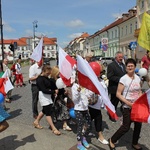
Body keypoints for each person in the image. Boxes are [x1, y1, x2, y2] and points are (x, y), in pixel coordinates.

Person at [108, 58, 143, 150]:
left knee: (138, 125)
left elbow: (139, 91)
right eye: (128, 66)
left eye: (132, 66)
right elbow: (118, 94)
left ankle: (135, 143)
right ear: (126, 67)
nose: (130, 67)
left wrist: (141, 99)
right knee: (126, 127)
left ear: (135, 67)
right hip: (127, 106)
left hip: (136, 106)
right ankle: (112, 139)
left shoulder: (138, 78)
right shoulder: (123, 79)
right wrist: (129, 103)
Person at [33, 65, 61, 135]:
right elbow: (44, 90)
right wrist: (53, 92)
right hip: (43, 96)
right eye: (47, 73)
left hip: (48, 95)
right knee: (48, 112)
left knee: (44, 110)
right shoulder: (39, 79)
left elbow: (50, 86)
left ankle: (36, 121)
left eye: (49, 73)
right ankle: (53, 128)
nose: (48, 75)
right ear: (43, 71)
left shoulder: (46, 78)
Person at [72, 79, 92, 150]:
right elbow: (74, 99)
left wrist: (89, 99)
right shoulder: (75, 86)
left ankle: (84, 138)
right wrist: (78, 90)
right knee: (80, 125)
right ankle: (79, 143)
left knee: (89, 125)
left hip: (85, 109)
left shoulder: (85, 86)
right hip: (78, 109)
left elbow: (87, 96)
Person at [50, 66, 72, 131]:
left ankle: (65, 124)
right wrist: (54, 92)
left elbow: (61, 87)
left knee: (64, 110)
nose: (59, 74)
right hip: (55, 98)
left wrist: (64, 92)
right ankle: (53, 124)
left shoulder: (59, 79)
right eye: (58, 73)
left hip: (61, 97)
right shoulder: (51, 80)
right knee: (55, 111)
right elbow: (51, 89)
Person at [107, 51, 126, 121]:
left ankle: (126, 115)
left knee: (124, 102)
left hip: (122, 88)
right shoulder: (111, 65)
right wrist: (121, 80)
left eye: (122, 57)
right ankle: (112, 115)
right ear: (116, 57)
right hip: (114, 88)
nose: (121, 58)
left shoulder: (123, 65)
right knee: (114, 103)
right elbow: (109, 76)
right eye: (119, 57)